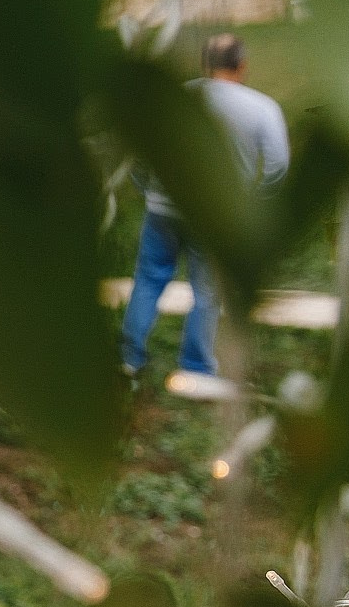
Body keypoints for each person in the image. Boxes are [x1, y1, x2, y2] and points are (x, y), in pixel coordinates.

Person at [121, 32, 290, 393]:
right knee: (208, 292)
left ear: (205, 64)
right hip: (215, 214)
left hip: (163, 208)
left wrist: (148, 189)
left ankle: (128, 359)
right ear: (242, 66)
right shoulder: (261, 107)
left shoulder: (176, 99)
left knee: (149, 280)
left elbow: (138, 150)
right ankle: (195, 368)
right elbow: (279, 166)